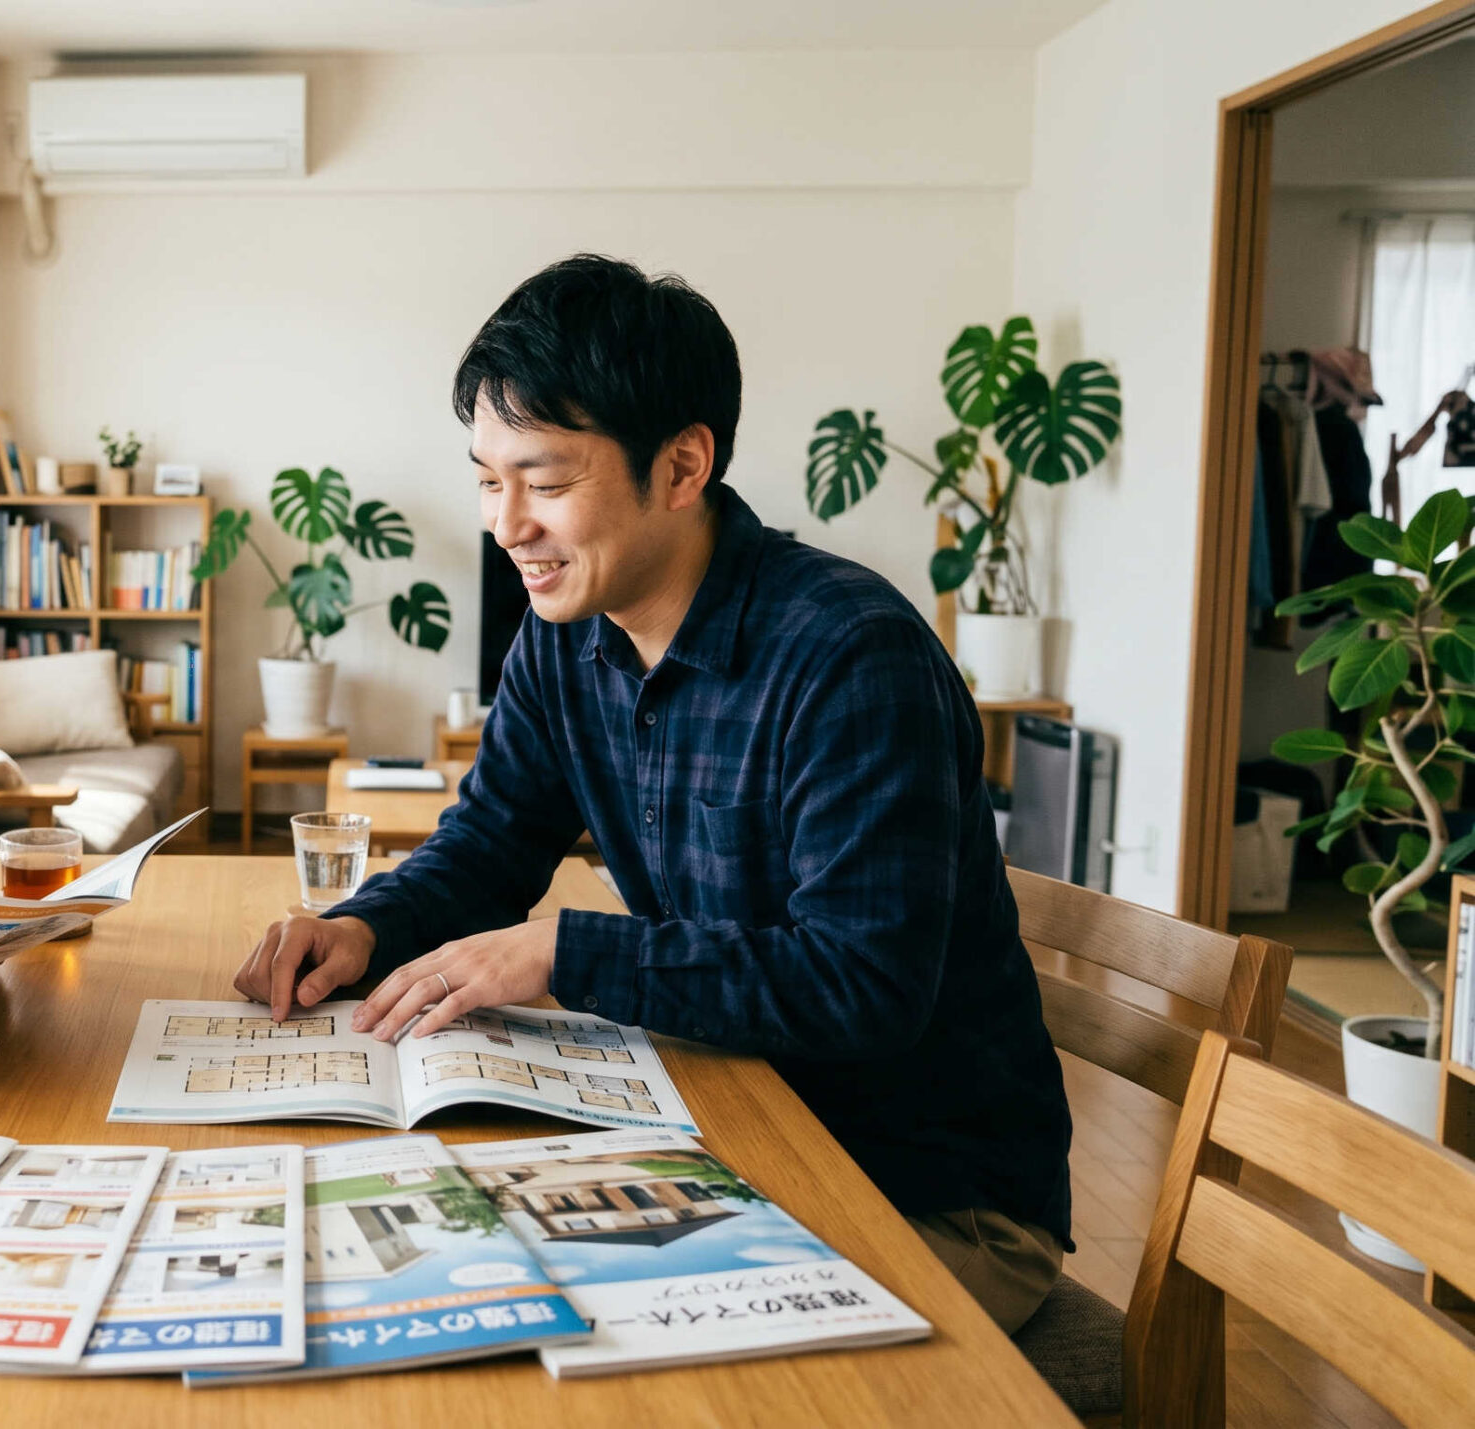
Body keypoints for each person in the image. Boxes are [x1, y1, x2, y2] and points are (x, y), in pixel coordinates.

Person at [233, 256, 1073, 1333]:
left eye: (543, 480)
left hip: (924, 1191)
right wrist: (362, 925)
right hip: (730, 1123)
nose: (505, 524)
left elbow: (863, 983)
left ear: (681, 466)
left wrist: (559, 952)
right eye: (487, 479)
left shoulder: (848, 655)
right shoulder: (563, 637)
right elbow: (493, 836)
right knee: (425, 1281)